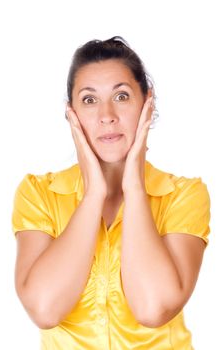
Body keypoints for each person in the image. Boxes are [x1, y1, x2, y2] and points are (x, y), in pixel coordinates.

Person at [11, 36, 211, 350]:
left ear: (147, 103)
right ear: (71, 114)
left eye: (121, 96)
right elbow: (45, 310)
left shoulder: (184, 194)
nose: (107, 115)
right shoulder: (38, 192)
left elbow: (153, 308)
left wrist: (134, 186)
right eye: (89, 100)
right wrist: (94, 195)